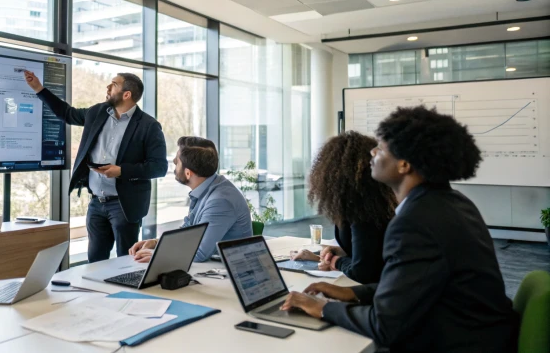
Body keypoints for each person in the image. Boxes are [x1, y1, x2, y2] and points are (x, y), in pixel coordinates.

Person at [281, 107, 518, 353]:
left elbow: (385, 325)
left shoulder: (415, 222)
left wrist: (321, 307)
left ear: (404, 164)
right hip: (485, 334)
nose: (372, 152)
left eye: (381, 148)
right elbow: (412, 286)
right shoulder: (450, 202)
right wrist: (351, 293)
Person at [24, 70, 167, 263]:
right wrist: (39, 89)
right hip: (96, 203)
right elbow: (67, 113)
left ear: (127, 94)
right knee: (95, 262)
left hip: (124, 205)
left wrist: (121, 171)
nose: (108, 87)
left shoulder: (148, 126)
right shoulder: (97, 112)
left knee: (127, 261)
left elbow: (159, 167)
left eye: (114, 84)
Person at [290, 131, 396, 284]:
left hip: (382, 291)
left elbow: (363, 271)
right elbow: (369, 251)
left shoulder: (364, 211)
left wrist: (335, 261)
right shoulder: (367, 203)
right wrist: (337, 252)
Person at [128, 136, 252, 263]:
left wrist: (157, 255)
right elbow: (187, 234)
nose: (174, 164)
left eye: (177, 162)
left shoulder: (220, 201)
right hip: (209, 266)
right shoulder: (209, 187)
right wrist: (156, 243)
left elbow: (200, 253)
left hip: (226, 273)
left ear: (188, 173)